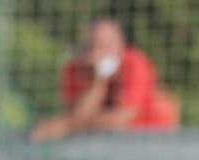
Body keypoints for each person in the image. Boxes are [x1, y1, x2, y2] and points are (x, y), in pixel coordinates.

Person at [31, 19, 181, 142]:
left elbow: (121, 120)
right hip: (100, 143)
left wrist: (66, 126)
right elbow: (76, 114)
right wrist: (98, 81)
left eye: (105, 46)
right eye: (91, 46)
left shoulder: (135, 63)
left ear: (120, 46)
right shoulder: (74, 68)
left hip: (149, 140)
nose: (97, 53)